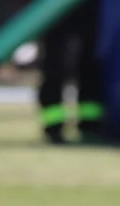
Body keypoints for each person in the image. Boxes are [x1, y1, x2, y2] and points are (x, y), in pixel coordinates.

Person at [36, 0, 103, 144]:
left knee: (90, 65)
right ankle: (54, 128)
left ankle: (90, 127)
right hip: (58, 10)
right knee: (59, 64)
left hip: (89, 9)